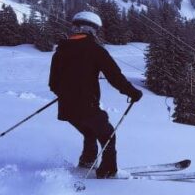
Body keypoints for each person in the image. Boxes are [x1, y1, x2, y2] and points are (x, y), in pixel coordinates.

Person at [49, 10, 142, 178]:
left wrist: (66, 93)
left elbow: (53, 84)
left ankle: (87, 162)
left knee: (90, 132)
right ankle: (108, 171)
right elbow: (114, 77)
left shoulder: (60, 51)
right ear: (92, 30)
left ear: (75, 28)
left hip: (66, 109)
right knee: (108, 135)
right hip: (87, 106)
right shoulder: (95, 50)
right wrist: (132, 92)